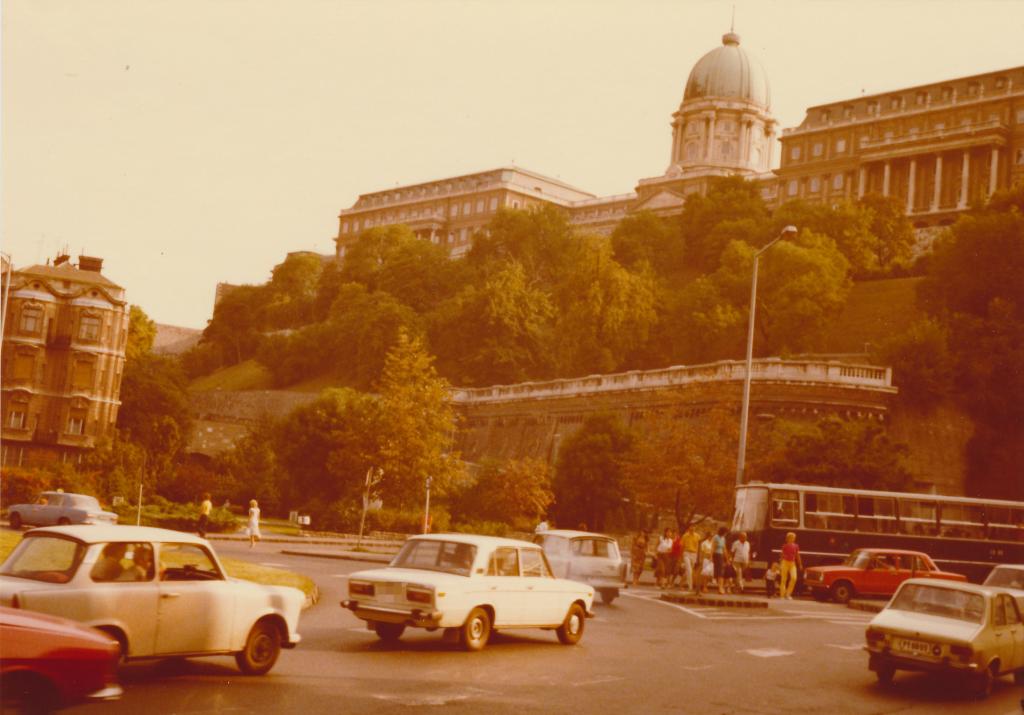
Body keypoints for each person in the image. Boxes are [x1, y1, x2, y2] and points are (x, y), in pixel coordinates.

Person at [778, 531, 803, 600]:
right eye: (791, 537)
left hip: (792, 563)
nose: (793, 539)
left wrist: (800, 564)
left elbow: (797, 555)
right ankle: (782, 595)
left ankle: (788, 594)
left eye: (794, 538)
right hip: (785, 562)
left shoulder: (796, 546)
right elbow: (781, 555)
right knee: (783, 579)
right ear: (788, 538)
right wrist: (780, 564)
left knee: (794, 578)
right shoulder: (784, 546)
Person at [681, 524, 700, 592]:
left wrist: (697, 556)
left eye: (694, 526)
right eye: (691, 526)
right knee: (689, 569)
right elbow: (682, 546)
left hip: (694, 554)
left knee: (689, 570)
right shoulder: (685, 536)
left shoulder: (697, 536)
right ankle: (690, 586)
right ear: (689, 527)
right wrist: (681, 557)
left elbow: (698, 547)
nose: (692, 528)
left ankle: (681, 583)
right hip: (686, 553)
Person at [712, 526, 729, 595]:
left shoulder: (723, 538)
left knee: (721, 572)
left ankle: (720, 587)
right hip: (716, 555)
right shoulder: (716, 537)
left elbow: (724, 549)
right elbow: (713, 547)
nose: (726, 534)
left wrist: (727, 558)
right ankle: (720, 588)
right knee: (719, 572)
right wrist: (711, 557)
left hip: (721, 555)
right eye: (726, 532)